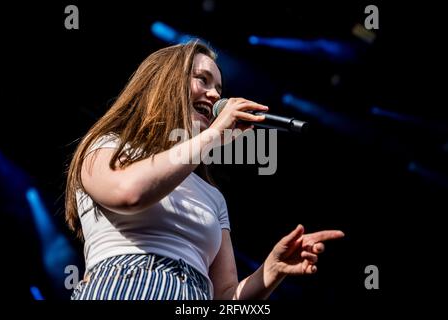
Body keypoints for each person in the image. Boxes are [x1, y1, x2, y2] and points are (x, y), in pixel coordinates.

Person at [65, 40, 344, 300]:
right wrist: (214, 135)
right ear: (165, 83)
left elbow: (224, 295)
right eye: (203, 80)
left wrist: (271, 271)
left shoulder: (212, 197)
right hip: (126, 284)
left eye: (219, 90)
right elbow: (128, 193)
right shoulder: (108, 147)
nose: (214, 95)